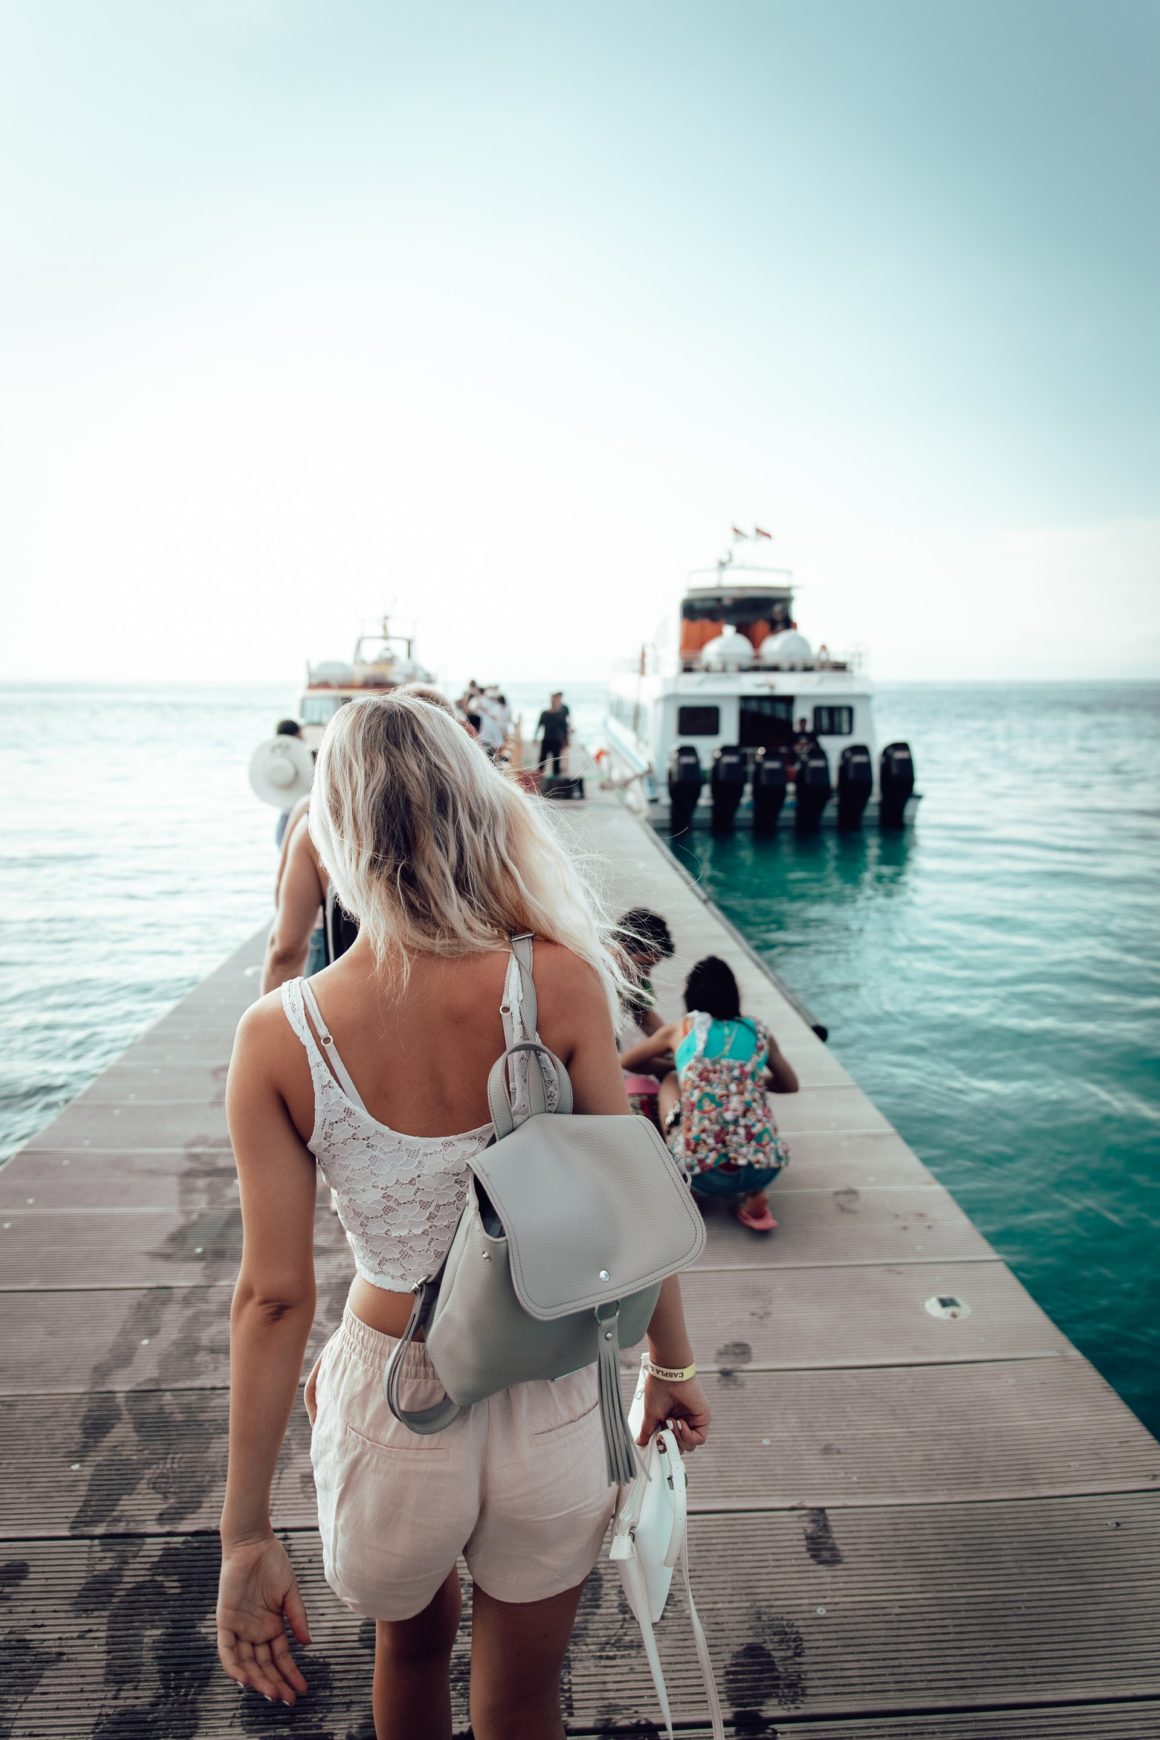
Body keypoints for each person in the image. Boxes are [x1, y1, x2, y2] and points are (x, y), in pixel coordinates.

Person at [217, 691, 711, 1735]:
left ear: (332, 832)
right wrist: (668, 1367)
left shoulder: (277, 1035)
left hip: (391, 1392)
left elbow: (271, 1300)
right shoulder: (561, 983)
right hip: (555, 1381)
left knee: (408, 1654)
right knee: (525, 1693)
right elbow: (629, 1205)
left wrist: (243, 1533)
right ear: (473, 808)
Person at [619, 955, 798, 1234]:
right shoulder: (759, 1032)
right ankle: (754, 1195)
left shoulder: (680, 1030)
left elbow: (627, 1061)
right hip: (764, 1168)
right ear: (734, 994)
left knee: (670, 1079)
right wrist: (750, 1078)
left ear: (690, 994)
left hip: (702, 1174)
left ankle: (691, 1189)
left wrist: (681, 1069)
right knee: (745, 1101)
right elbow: (790, 1084)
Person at [614, 908, 675, 1040]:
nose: (646, 974)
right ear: (621, 948)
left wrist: (676, 1044)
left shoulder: (637, 979)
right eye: (643, 966)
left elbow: (646, 1018)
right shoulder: (585, 970)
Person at [273, 720, 306, 846]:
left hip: (286, 814)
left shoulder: (274, 758)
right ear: (297, 734)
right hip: (303, 815)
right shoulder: (306, 756)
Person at [535, 691, 570, 776]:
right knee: (542, 763)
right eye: (553, 700)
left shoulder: (560, 714)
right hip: (546, 740)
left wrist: (566, 741)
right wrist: (535, 737)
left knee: (556, 764)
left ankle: (556, 783)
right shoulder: (544, 713)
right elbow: (539, 725)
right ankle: (538, 781)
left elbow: (564, 729)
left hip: (556, 741)